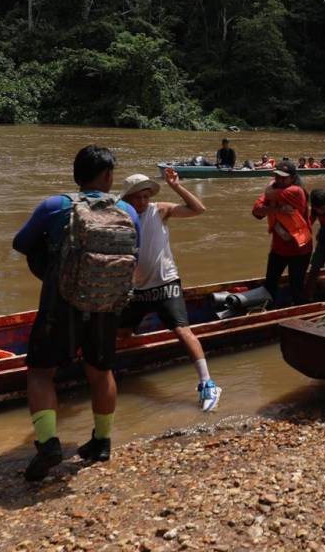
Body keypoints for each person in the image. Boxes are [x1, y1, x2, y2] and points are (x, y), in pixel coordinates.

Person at [12, 145, 141, 480]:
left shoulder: (55, 205)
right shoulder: (128, 209)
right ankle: (102, 441)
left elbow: (21, 243)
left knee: (41, 372)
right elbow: (134, 253)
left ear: (76, 174)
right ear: (109, 176)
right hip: (107, 305)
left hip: (61, 302)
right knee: (101, 371)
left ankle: (48, 442)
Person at [118, 169, 221, 411]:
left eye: (145, 196)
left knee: (182, 331)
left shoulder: (159, 210)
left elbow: (199, 209)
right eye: (137, 198)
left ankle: (208, 383)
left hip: (166, 284)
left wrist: (176, 186)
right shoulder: (122, 217)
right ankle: (118, 372)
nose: (142, 202)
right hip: (139, 290)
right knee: (121, 333)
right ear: (128, 199)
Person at [251, 160, 313, 305]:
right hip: (279, 248)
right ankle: (268, 311)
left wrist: (269, 191)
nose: (279, 180)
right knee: (270, 285)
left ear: (292, 178)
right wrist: (277, 210)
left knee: (296, 286)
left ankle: (300, 313)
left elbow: (268, 195)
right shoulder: (274, 192)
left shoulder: (296, 191)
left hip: (299, 249)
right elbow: (256, 210)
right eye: (277, 176)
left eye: (283, 177)